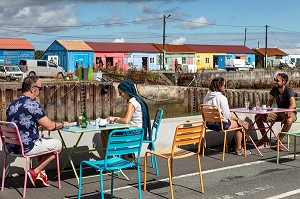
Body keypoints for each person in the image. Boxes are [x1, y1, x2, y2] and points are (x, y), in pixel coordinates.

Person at [6, 76, 69, 187]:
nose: (40, 91)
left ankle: (40, 174)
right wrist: (62, 124)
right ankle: (34, 172)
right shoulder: (32, 105)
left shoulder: (12, 104)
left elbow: (18, 124)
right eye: (40, 88)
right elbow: (49, 126)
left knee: (39, 140)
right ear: (32, 88)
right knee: (58, 145)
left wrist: (33, 126)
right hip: (26, 147)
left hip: (10, 147)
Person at [203, 77, 251, 156]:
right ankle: (239, 149)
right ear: (219, 86)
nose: (225, 87)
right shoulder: (222, 98)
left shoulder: (207, 97)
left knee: (237, 121)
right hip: (220, 125)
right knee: (240, 125)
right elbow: (226, 116)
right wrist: (236, 119)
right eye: (224, 86)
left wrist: (234, 118)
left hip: (208, 124)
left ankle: (233, 145)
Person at [255, 73, 297, 149]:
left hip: (290, 112)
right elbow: (270, 100)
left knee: (289, 120)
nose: (275, 82)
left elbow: (293, 105)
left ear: (284, 82)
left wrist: (287, 113)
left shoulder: (289, 90)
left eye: (277, 80)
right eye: (275, 80)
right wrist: (267, 109)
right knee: (258, 117)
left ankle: (278, 141)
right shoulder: (274, 89)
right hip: (279, 113)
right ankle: (265, 140)